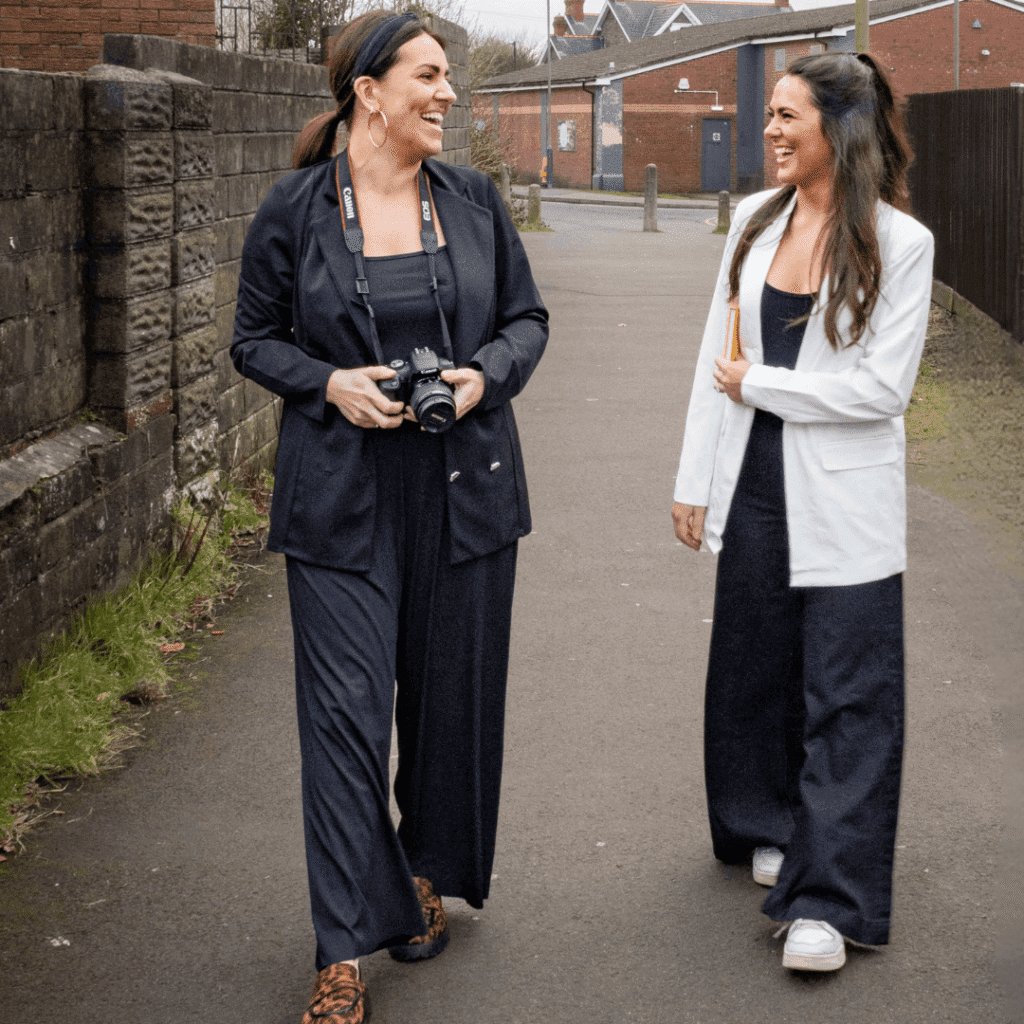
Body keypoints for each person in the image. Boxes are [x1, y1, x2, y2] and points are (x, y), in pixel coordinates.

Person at [231, 10, 548, 1021]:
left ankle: (419, 873)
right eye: (427, 74)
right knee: (344, 722)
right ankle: (340, 944)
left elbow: (526, 320)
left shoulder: (474, 201)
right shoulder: (292, 210)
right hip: (339, 500)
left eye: (446, 76)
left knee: (446, 710)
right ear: (368, 89)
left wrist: (480, 376)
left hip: (464, 489)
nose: (447, 93)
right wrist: (329, 382)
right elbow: (253, 339)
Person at [671, 53, 933, 972]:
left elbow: (880, 391)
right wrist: (693, 478)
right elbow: (717, 352)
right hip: (753, 483)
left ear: (841, 130)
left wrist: (765, 384)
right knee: (753, 664)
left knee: (849, 694)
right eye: (771, 115)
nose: (771, 131)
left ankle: (831, 900)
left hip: (846, 497)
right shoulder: (753, 219)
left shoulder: (900, 242)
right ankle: (766, 821)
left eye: (789, 117)